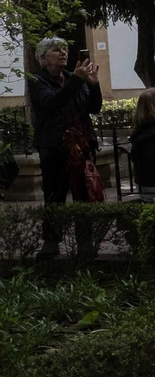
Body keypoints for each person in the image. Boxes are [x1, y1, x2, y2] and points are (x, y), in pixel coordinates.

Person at [28, 38, 105, 251]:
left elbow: (93, 108)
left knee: (84, 196)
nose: (63, 53)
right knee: (55, 196)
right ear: (44, 59)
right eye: (55, 50)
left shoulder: (74, 78)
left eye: (64, 49)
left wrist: (94, 84)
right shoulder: (37, 81)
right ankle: (51, 244)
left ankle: (86, 244)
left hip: (82, 147)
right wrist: (78, 81)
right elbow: (52, 104)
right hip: (55, 148)